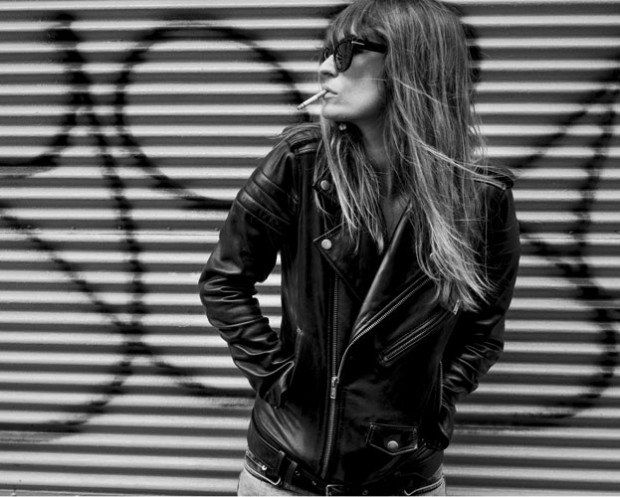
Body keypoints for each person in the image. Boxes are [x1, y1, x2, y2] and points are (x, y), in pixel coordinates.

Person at [199, 0, 521, 494]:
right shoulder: (300, 164)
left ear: (412, 64)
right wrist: (279, 380)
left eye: (347, 51)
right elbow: (224, 282)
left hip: (404, 480)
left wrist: (431, 403)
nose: (327, 67)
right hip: (283, 475)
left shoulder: (481, 200)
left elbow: (482, 331)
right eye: (326, 52)